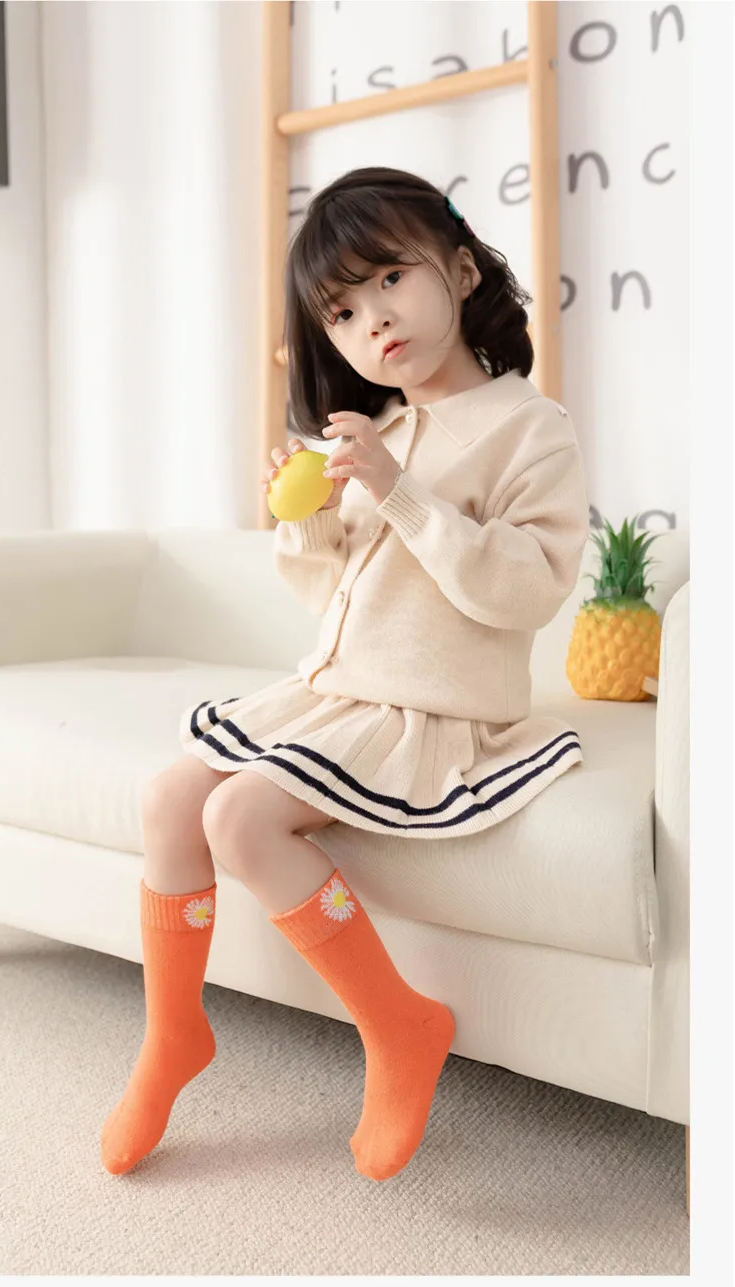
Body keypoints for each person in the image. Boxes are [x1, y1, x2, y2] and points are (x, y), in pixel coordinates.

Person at [100, 166, 590, 1182]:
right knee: (167, 800)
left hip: (430, 708)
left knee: (238, 818)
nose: (374, 320)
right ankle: (172, 1032)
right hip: (337, 688)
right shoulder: (384, 430)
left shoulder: (528, 427)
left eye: (389, 280)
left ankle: (398, 1023)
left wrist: (400, 493)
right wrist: (313, 515)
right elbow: (335, 593)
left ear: (461, 271)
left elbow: (524, 589)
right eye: (342, 311)